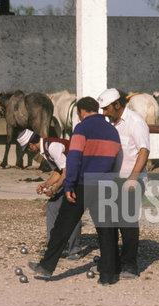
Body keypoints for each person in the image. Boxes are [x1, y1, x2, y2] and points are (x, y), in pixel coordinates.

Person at [28, 96, 122, 285]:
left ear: (81, 112)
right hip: (105, 183)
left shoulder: (82, 128)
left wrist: (69, 185)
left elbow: (74, 158)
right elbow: (115, 160)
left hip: (83, 184)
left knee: (63, 226)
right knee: (106, 231)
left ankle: (46, 266)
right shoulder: (113, 131)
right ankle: (108, 276)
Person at [96, 88, 150, 279]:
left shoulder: (135, 122)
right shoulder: (110, 125)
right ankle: (112, 261)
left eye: (106, 108)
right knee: (109, 223)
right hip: (113, 180)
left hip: (132, 180)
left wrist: (133, 178)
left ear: (117, 105)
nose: (104, 113)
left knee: (127, 222)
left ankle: (130, 265)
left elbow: (144, 150)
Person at [16, 129, 82, 260]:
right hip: (70, 176)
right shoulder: (45, 149)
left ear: (31, 145)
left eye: (27, 149)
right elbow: (58, 172)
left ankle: (74, 250)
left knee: (72, 210)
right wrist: (46, 184)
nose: (29, 152)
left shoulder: (52, 147)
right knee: (51, 207)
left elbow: (66, 171)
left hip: (79, 176)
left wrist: (54, 188)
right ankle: (53, 247)